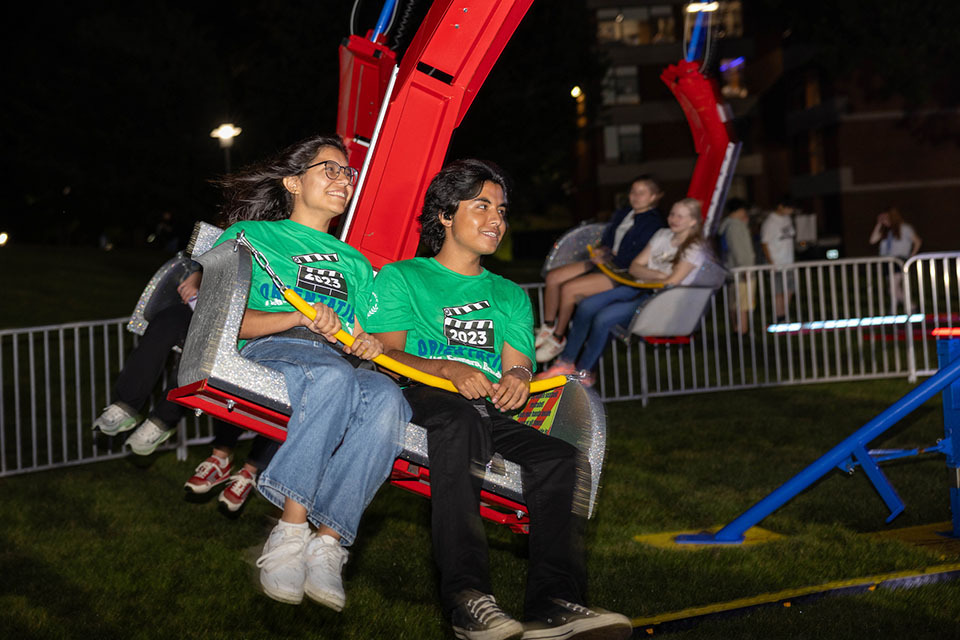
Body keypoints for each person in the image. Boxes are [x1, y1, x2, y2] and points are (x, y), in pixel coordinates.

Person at [366, 159, 631, 640]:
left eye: (502, 210)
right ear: (445, 215)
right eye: (482, 206)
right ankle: (468, 599)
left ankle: (555, 603)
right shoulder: (401, 277)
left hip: (484, 407)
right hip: (417, 395)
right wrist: (447, 368)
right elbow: (386, 353)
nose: (497, 220)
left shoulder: (508, 294)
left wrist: (518, 375)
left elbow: (518, 362)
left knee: (560, 457)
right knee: (461, 422)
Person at [211, 134, 410, 608]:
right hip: (276, 345)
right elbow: (224, 318)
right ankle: (290, 531)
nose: (343, 180)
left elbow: (366, 335)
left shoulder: (357, 263)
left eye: (348, 173)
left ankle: (328, 543)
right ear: (293, 182)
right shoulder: (254, 237)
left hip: (336, 358)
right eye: (330, 169)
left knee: (388, 399)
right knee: (334, 378)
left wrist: (370, 342)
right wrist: (299, 317)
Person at [92, 260, 277, 513]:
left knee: (245, 375)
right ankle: (126, 405)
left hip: (265, 325)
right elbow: (222, 252)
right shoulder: (251, 229)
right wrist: (198, 275)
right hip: (221, 307)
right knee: (170, 320)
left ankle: (245, 468)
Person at [537, 198, 708, 385]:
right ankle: (565, 362)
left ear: (693, 221)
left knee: (605, 318)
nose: (674, 219)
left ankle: (584, 373)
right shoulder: (662, 234)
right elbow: (635, 268)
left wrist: (652, 274)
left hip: (660, 300)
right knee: (586, 306)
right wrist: (658, 274)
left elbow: (672, 281)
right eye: (672, 214)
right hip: (639, 287)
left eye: (680, 216)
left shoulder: (695, 247)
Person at [535, 176, 664, 363]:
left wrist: (608, 256)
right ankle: (548, 327)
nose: (634, 196)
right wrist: (601, 250)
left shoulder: (653, 224)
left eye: (641, 193)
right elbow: (608, 240)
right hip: (605, 261)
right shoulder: (624, 213)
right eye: (633, 191)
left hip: (621, 272)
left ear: (653, 197)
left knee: (569, 289)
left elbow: (637, 257)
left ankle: (558, 338)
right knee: (554, 277)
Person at [868, 206, 922, 309]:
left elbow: (917, 241)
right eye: (882, 218)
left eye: (886, 218)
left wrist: (911, 257)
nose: (884, 220)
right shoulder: (885, 231)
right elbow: (872, 240)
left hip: (898, 260)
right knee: (893, 289)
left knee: (893, 288)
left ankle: (893, 310)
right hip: (886, 261)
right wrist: (879, 224)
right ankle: (912, 306)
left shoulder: (904, 228)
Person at [717, 197, 756, 334]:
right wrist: (745, 268)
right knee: (743, 303)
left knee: (734, 302)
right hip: (741, 269)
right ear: (740, 210)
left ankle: (737, 328)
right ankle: (742, 330)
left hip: (731, 268)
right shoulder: (735, 226)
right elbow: (739, 249)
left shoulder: (726, 225)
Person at [760, 197, 798, 321]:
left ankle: (784, 314)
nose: (791, 211)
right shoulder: (770, 222)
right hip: (776, 262)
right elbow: (764, 243)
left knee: (790, 289)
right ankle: (779, 316)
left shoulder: (787, 219)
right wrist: (771, 262)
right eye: (789, 208)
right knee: (778, 291)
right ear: (781, 206)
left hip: (788, 261)